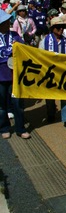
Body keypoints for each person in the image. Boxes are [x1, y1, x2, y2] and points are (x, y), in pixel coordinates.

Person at [39, 16, 66, 128]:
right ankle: (50, 113)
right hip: (49, 72)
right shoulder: (44, 41)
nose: (61, 29)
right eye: (58, 27)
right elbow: (40, 57)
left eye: (62, 27)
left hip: (63, 72)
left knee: (65, 95)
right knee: (50, 96)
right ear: (52, 28)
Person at [0, 10, 31, 139]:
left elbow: (24, 50)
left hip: (15, 75)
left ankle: (20, 128)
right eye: (4, 22)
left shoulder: (14, 35)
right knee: (1, 105)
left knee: (17, 104)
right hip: (0, 76)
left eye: (8, 21)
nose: (8, 24)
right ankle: (4, 128)